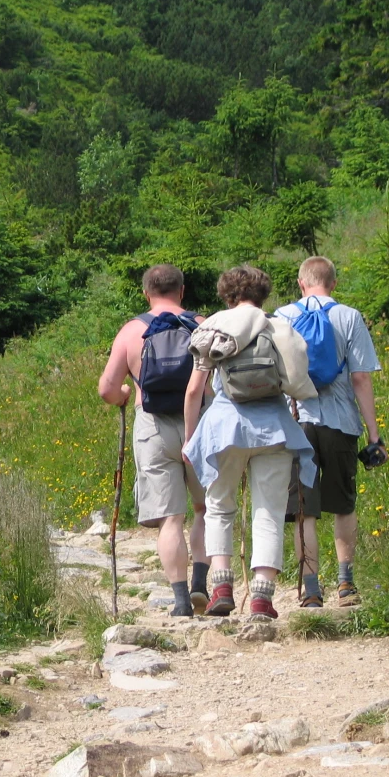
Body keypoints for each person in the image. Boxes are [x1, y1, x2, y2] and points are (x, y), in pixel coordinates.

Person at [182, 265, 317, 619]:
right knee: (268, 512)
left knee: (219, 506)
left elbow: (195, 389)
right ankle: (261, 598)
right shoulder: (278, 326)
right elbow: (297, 382)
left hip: (224, 427)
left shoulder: (214, 325)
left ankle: (222, 587)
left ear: (226, 294)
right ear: (263, 294)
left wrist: (189, 438)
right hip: (273, 426)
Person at [98, 264, 210, 617]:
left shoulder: (132, 331)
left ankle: (179, 600)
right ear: (182, 290)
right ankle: (202, 585)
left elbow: (107, 389)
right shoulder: (202, 324)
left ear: (146, 293)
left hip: (154, 426)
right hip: (201, 425)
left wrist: (125, 394)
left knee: (170, 518)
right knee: (205, 509)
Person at [274, 257, 385, 608]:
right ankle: (346, 584)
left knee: (304, 509)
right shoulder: (349, 316)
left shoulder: (282, 316)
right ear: (333, 284)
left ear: (300, 283)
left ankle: (310, 588)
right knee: (343, 505)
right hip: (341, 423)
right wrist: (374, 434)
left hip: (297, 422)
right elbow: (360, 377)